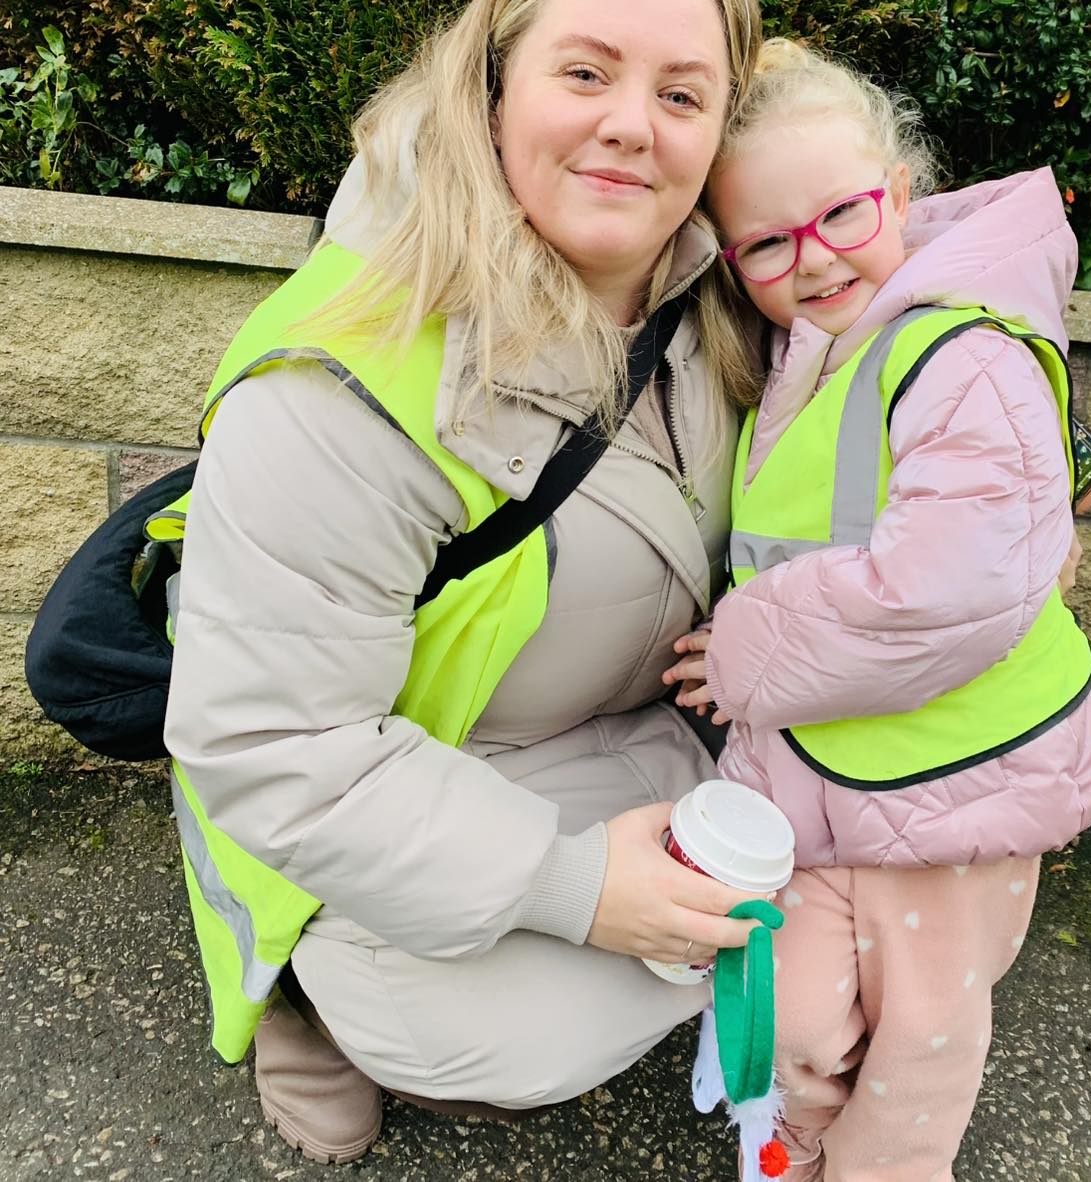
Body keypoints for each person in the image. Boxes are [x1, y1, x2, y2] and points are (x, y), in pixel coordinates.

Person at [162, 0, 769, 1165]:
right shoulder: (340, 376)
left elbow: (908, 266)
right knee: (506, 1034)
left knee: (818, 882)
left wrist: (1021, 459)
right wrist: (578, 887)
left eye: (682, 95)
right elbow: (275, 741)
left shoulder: (732, 283)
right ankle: (308, 995)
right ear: (490, 89)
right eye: (585, 72)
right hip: (401, 762)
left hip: (621, 730)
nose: (634, 126)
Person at [663, 39, 1091, 1181]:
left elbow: (947, 582)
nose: (812, 260)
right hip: (826, 767)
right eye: (768, 242)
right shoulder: (813, 349)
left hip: (957, 782)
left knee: (921, 1035)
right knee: (799, 1011)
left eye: (840, 215)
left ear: (903, 194)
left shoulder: (954, 347)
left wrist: (743, 651)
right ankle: (792, 1147)